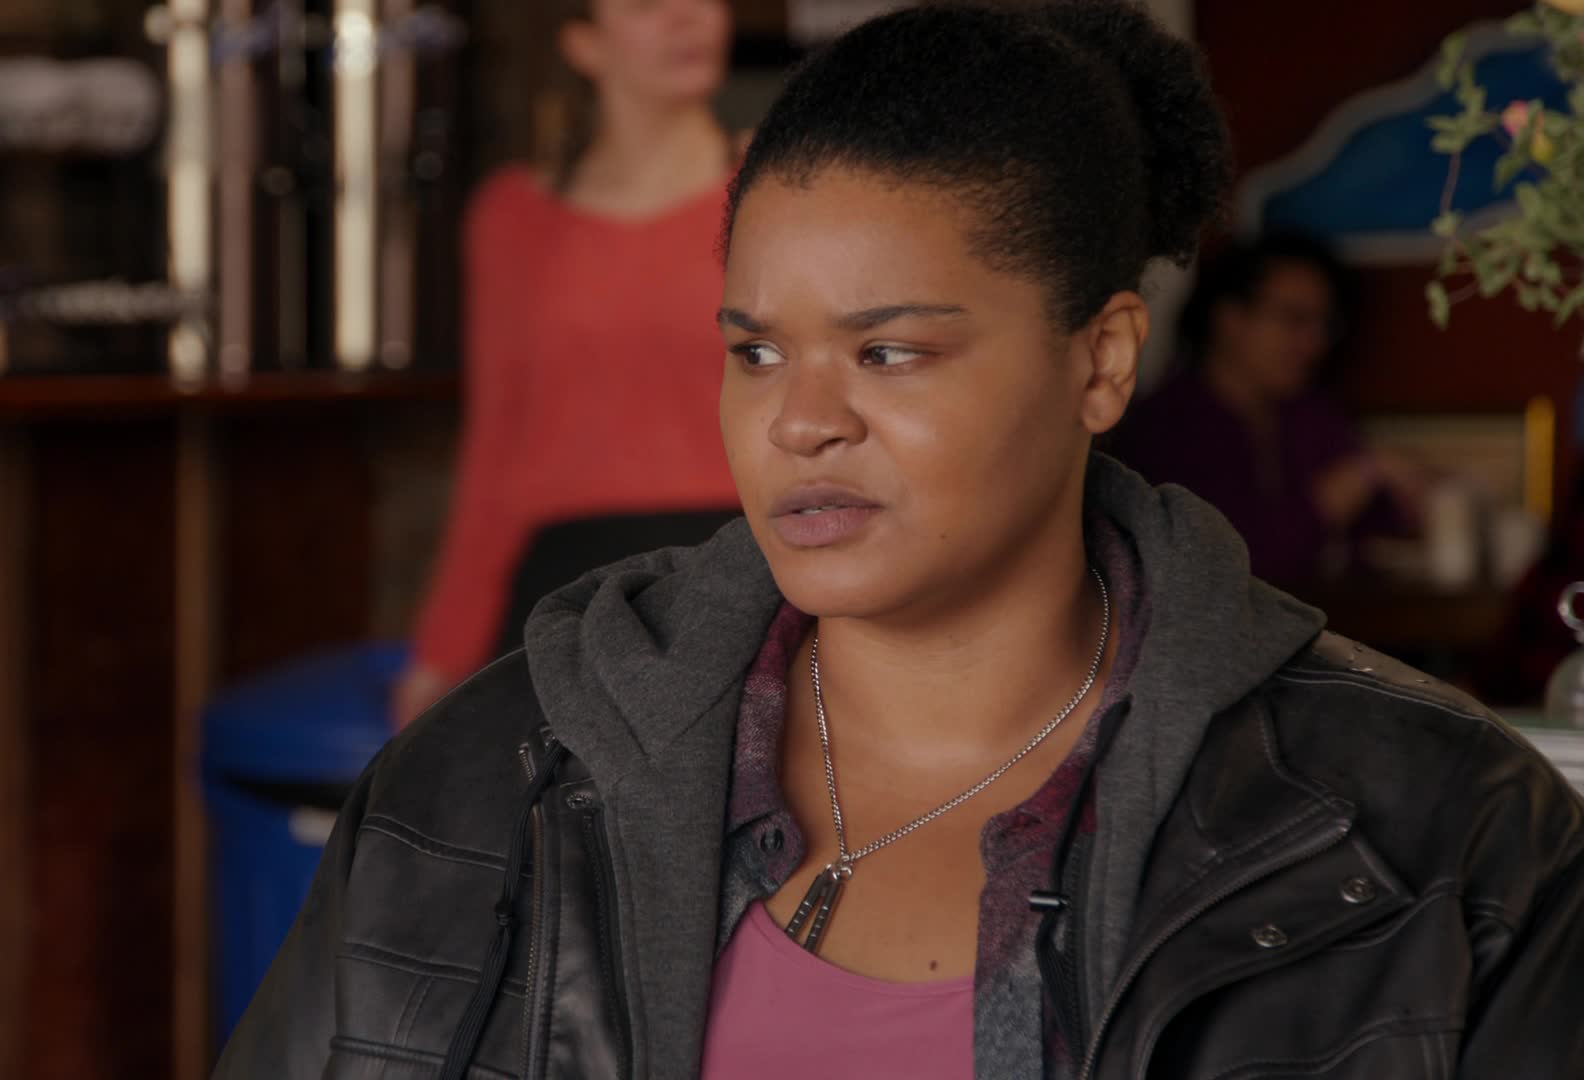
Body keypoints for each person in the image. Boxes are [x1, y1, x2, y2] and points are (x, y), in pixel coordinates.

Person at [218, 4, 1584, 1078]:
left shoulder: (1444, 838)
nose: (801, 421)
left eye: (889, 351)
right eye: (756, 352)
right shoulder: (477, 792)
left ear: (1102, 360)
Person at [392, 0, 745, 728]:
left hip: (737, 567)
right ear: (584, 43)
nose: (688, 18)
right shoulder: (514, 216)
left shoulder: (776, 192)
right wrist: (441, 651)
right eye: (647, 4)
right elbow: (495, 443)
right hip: (565, 584)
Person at [1112, 231, 1420, 585]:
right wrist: (1353, 480)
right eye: (1295, 319)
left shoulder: (1311, 415)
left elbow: (1377, 535)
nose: (1314, 342)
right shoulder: (1168, 426)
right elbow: (1231, 564)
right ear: (1229, 318)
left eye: (1325, 324)